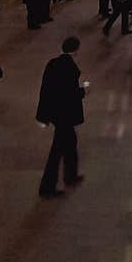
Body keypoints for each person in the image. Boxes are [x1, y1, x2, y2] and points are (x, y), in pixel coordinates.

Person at [36, 36, 88, 197]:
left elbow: (46, 89)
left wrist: (43, 115)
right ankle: (47, 187)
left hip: (55, 113)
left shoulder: (53, 63)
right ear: (76, 50)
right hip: (64, 114)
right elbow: (69, 94)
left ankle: (70, 175)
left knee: (70, 142)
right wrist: (83, 91)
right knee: (57, 150)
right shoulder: (69, 67)